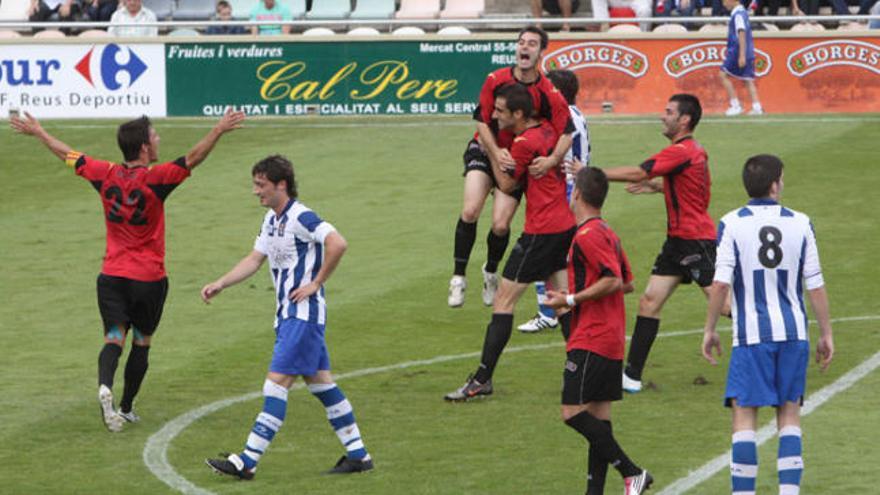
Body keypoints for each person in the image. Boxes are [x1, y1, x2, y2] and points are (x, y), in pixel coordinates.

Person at [9, 109, 246, 432]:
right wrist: (218, 130)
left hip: (111, 276)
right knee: (142, 340)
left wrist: (39, 132)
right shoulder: (156, 178)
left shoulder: (103, 173)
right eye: (155, 136)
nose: (158, 139)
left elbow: (69, 155)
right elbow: (193, 158)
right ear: (145, 147)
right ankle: (127, 405)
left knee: (113, 336)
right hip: (148, 278)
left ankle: (105, 385)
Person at [202, 155, 373, 479]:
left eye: (261, 185)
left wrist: (316, 283)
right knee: (322, 384)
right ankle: (359, 456)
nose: (256, 191)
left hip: (302, 315)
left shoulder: (301, 216)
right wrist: (221, 283)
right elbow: (255, 259)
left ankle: (247, 461)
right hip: (288, 316)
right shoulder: (271, 219)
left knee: (275, 385)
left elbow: (338, 243)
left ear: (281, 185)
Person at [702, 154, 833, 495]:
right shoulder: (801, 223)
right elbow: (815, 285)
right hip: (794, 335)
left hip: (750, 338)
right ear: (775, 185)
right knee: (789, 417)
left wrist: (710, 328)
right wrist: (827, 333)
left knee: (744, 417)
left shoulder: (731, 223)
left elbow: (719, 284)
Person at [444, 83, 576, 401]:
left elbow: (505, 183)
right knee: (561, 301)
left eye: (501, 111)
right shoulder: (546, 130)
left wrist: (490, 150)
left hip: (540, 232)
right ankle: (580, 366)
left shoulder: (523, 142)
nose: (494, 115)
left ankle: (482, 379)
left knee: (503, 302)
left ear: (518, 114)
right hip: (564, 226)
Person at [602, 94, 724, 393]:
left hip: (696, 242)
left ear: (684, 120)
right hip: (677, 243)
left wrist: (592, 174)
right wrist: (659, 188)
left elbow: (639, 171)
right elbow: (697, 192)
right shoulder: (693, 152)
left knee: (726, 306)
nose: (662, 116)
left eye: (668, 112)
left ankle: (776, 333)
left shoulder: (681, 151)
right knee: (649, 302)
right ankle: (631, 376)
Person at [543, 167, 652, 495]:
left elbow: (614, 281)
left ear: (576, 193)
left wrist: (571, 298)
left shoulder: (588, 236)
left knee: (572, 412)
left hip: (592, 337)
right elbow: (628, 283)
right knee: (599, 419)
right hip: (611, 337)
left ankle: (633, 473)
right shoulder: (608, 232)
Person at [448, 26, 573, 309]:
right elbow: (481, 119)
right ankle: (458, 277)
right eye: (521, 42)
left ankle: (490, 271)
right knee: (470, 211)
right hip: (486, 148)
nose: (524, 47)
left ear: (542, 52)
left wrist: (553, 160)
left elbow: (567, 131)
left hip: (517, 160)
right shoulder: (496, 79)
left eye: (532, 43)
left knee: (501, 225)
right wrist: (495, 150)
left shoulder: (548, 92)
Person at [519, 68, 591, 334]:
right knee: (553, 256)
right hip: (573, 192)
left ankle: (550, 311)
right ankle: (550, 310)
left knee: (547, 252)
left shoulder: (566, 118)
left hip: (566, 193)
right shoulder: (576, 115)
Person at [719, 0, 763, 116]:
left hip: (737, 50)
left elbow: (741, 33)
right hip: (747, 50)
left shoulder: (738, 15)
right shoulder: (742, 12)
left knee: (723, 75)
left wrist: (741, 55)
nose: (724, 4)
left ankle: (735, 105)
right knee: (747, 79)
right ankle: (757, 107)